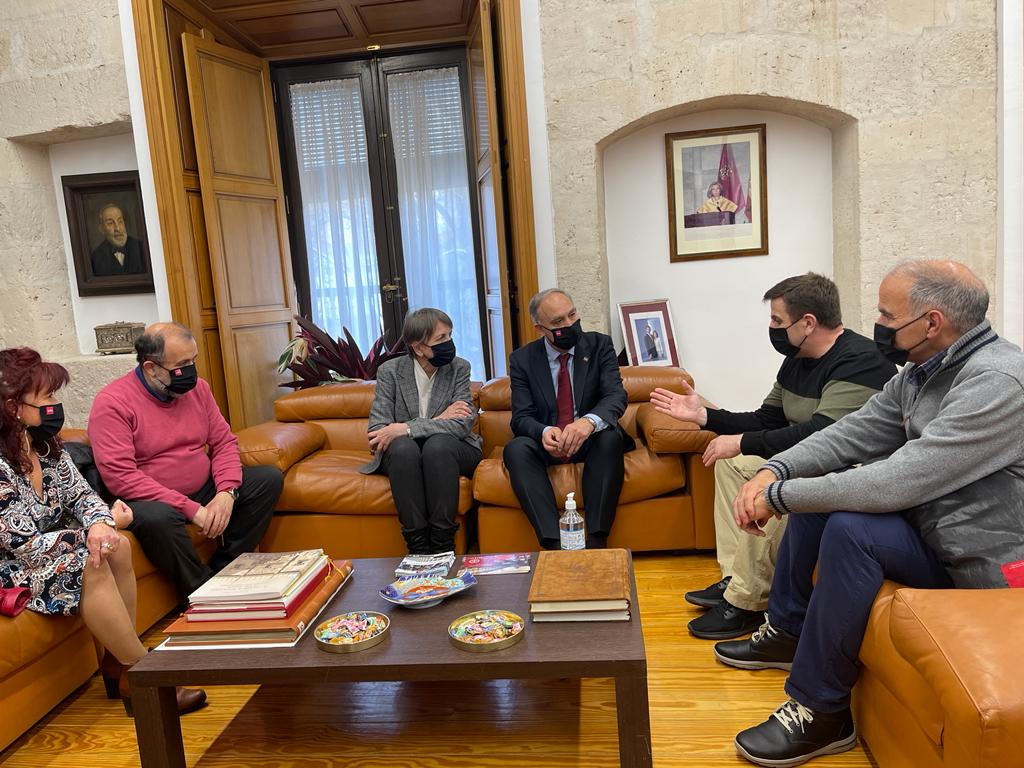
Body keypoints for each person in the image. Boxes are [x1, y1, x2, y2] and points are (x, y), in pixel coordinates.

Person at [720, 260, 1024, 767]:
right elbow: (855, 432)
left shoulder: (996, 382)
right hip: (931, 529)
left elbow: (898, 481)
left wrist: (779, 497)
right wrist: (778, 470)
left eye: (886, 313)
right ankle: (788, 631)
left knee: (850, 524)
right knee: (824, 506)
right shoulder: (920, 373)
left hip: (977, 558)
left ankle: (821, 710)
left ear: (931, 323)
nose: (877, 324)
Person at [651, 274, 896, 640]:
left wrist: (744, 441)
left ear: (808, 323)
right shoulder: (798, 358)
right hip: (808, 457)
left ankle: (748, 603)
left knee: (758, 469)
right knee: (732, 462)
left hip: (850, 467)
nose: (772, 328)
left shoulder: (862, 361)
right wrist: (705, 417)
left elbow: (821, 434)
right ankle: (737, 578)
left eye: (777, 321)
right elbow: (767, 419)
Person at [0, 347, 205, 715]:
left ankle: (118, 665)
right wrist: (88, 535)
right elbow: (23, 545)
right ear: (14, 407)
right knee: (91, 562)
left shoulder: (46, 448)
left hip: (50, 550)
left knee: (117, 546)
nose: (54, 405)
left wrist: (100, 523)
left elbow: (84, 496)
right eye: (46, 397)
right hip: (12, 568)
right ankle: (145, 674)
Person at [88, 322, 282, 602]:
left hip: (201, 487)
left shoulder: (198, 390)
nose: (190, 372)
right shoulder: (112, 403)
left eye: (193, 361)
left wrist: (227, 493)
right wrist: (191, 509)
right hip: (152, 499)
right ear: (150, 368)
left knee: (267, 479)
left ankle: (224, 572)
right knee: (158, 519)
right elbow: (122, 478)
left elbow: (224, 442)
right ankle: (201, 592)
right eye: (181, 364)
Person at [503, 289, 634, 549]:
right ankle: (555, 545)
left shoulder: (600, 345)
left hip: (590, 439)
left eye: (572, 315)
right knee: (516, 449)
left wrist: (588, 422)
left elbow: (615, 396)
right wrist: (543, 431)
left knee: (610, 438)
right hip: (550, 442)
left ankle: (597, 542)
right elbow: (521, 417)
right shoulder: (522, 360)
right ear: (540, 328)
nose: (569, 325)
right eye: (558, 322)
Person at [360, 308, 482, 555]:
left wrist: (405, 427)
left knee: (437, 445)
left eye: (450, 335)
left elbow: (461, 425)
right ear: (418, 347)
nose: (449, 343)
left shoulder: (459, 368)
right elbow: (377, 433)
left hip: (453, 451)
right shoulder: (390, 372)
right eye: (441, 339)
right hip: (407, 456)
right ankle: (418, 549)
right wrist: (440, 418)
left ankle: (442, 545)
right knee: (404, 449)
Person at [90, 204, 146, 276]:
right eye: (110, 223)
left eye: (120, 221)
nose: (117, 228)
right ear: (101, 229)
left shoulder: (142, 248)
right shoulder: (96, 258)